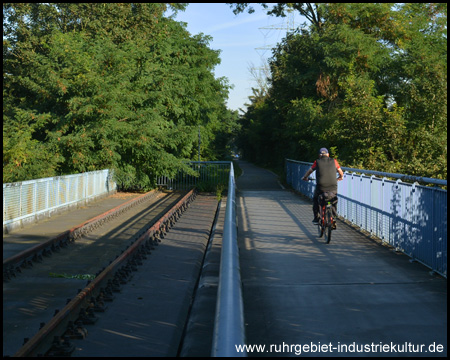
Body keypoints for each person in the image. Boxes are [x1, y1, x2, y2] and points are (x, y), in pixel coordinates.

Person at [302, 148, 344, 227]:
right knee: (333, 199)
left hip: (321, 186)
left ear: (319, 155)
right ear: (328, 154)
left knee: (315, 199)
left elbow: (310, 171)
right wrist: (340, 177)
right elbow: (340, 172)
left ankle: (316, 218)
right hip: (333, 186)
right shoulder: (334, 161)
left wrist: (305, 177)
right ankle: (334, 217)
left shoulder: (317, 162)